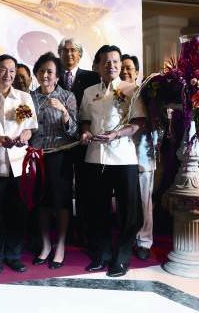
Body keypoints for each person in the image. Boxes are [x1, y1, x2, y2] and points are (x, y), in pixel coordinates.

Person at [79, 45, 145, 277]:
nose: (112, 65)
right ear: (97, 66)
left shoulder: (132, 89)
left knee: (129, 212)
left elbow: (138, 123)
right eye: (106, 62)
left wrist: (116, 134)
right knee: (98, 209)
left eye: (115, 61)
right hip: (96, 157)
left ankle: (122, 256)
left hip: (124, 157)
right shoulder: (89, 92)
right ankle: (102, 254)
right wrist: (86, 133)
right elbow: (85, 120)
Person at [0, 54, 37, 274]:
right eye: (3, 70)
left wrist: (25, 134)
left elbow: (30, 126)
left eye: (12, 70)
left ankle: (13, 255)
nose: (8, 75)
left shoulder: (23, 97)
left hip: (19, 163)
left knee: (17, 212)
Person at [29, 52, 78, 269]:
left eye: (50, 72)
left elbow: (75, 131)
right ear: (36, 74)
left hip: (61, 154)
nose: (45, 75)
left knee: (61, 203)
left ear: (58, 76)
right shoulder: (29, 98)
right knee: (41, 201)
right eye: (41, 71)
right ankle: (46, 245)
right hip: (36, 155)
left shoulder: (68, 96)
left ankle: (60, 245)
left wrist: (65, 114)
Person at [57, 38, 100, 248]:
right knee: (62, 186)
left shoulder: (92, 77)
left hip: (85, 141)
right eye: (64, 51)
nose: (69, 54)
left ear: (80, 54)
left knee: (86, 187)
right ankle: (64, 232)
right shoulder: (51, 75)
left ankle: (84, 229)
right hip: (60, 142)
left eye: (73, 50)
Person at [120, 54, 156, 260]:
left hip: (142, 152)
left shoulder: (146, 93)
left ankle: (144, 240)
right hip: (122, 154)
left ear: (136, 72)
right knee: (127, 201)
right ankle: (128, 236)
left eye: (129, 68)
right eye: (122, 68)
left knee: (144, 200)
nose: (125, 71)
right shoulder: (116, 92)